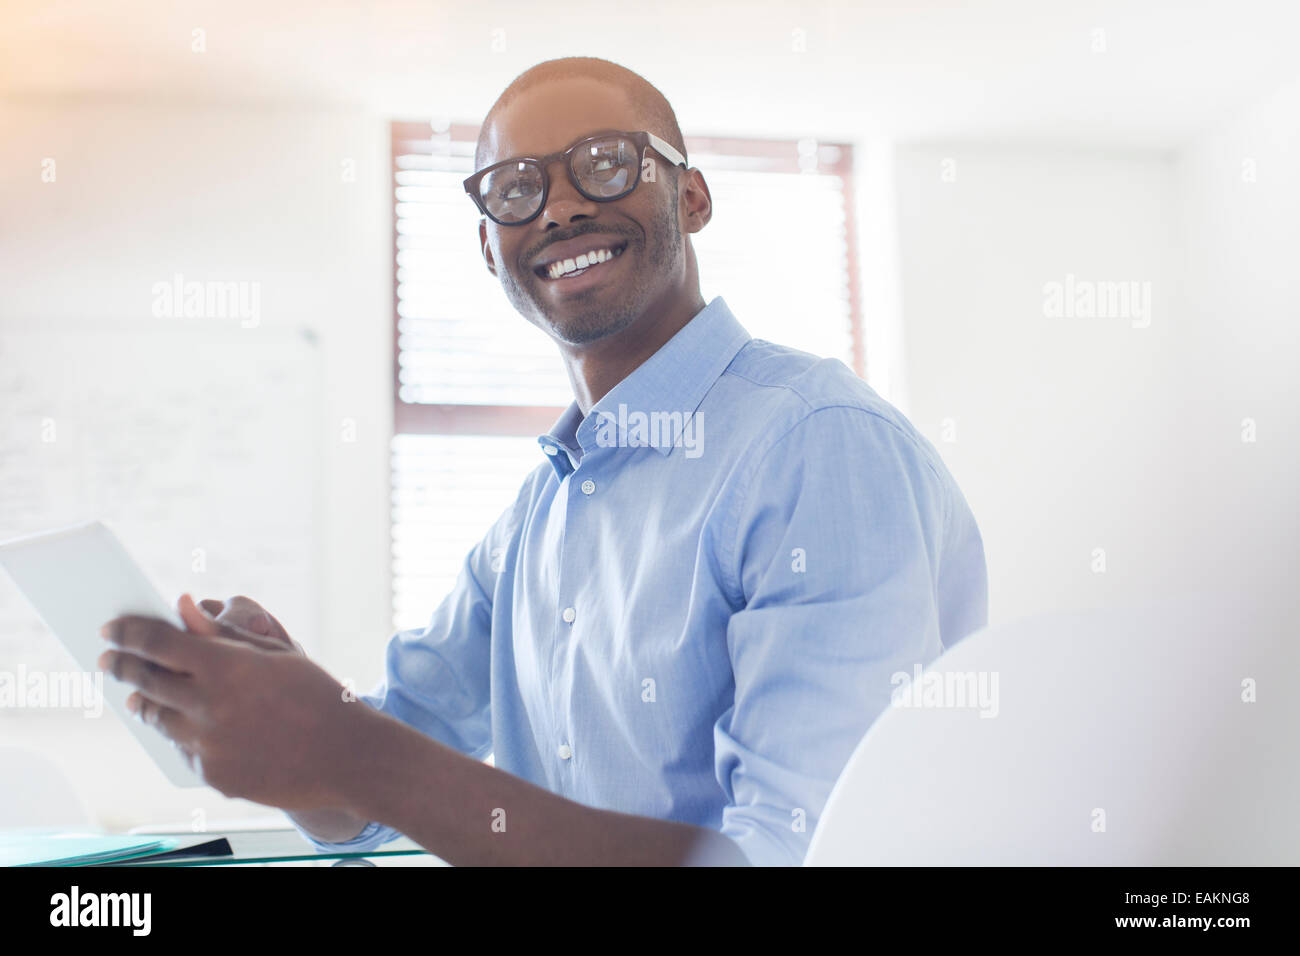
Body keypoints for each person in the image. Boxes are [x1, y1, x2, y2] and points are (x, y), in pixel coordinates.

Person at [99, 56, 988, 866]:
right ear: (490, 248)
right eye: (515, 188)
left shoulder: (819, 447)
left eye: (605, 163)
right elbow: (366, 807)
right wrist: (292, 712)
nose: (559, 206)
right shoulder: (536, 517)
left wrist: (345, 750)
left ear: (693, 199)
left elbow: (794, 860)